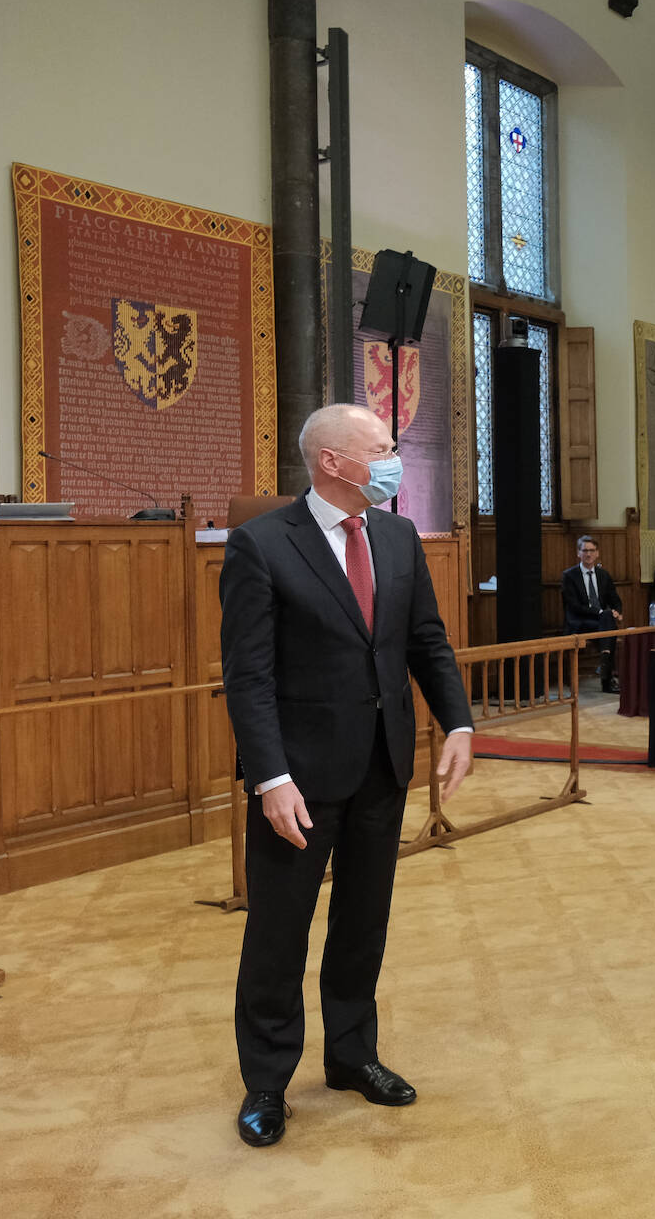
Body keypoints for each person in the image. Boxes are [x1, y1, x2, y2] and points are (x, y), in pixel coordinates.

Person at [219, 403, 475, 1149]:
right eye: (383, 447)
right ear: (333, 461)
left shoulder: (395, 536)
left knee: (363, 921)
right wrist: (269, 777)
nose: (394, 459)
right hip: (298, 779)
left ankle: (352, 1055)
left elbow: (426, 641)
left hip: (381, 765)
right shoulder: (262, 544)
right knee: (278, 931)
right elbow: (248, 677)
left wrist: (458, 722)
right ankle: (267, 1081)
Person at [562, 535, 623, 693]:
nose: (588, 554)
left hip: (601, 622)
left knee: (608, 620)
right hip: (579, 622)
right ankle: (607, 681)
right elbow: (574, 606)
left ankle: (604, 658)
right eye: (585, 551)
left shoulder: (603, 575)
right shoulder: (569, 575)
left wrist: (617, 611)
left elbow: (615, 599)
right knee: (609, 625)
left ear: (597, 553)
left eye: (591, 550)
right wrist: (602, 612)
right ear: (578, 553)